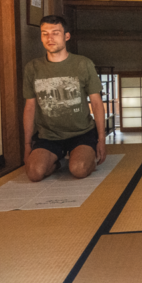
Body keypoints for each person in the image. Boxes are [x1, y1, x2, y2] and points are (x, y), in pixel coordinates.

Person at [23, 15, 106, 182]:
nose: (50, 38)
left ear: (66, 36)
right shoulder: (33, 68)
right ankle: (57, 162)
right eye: (45, 33)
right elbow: (30, 107)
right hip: (48, 135)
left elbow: (96, 103)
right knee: (34, 173)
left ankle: (79, 157)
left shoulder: (83, 64)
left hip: (82, 132)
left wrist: (102, 139)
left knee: (79, 169)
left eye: (55, 33)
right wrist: (26, 145)